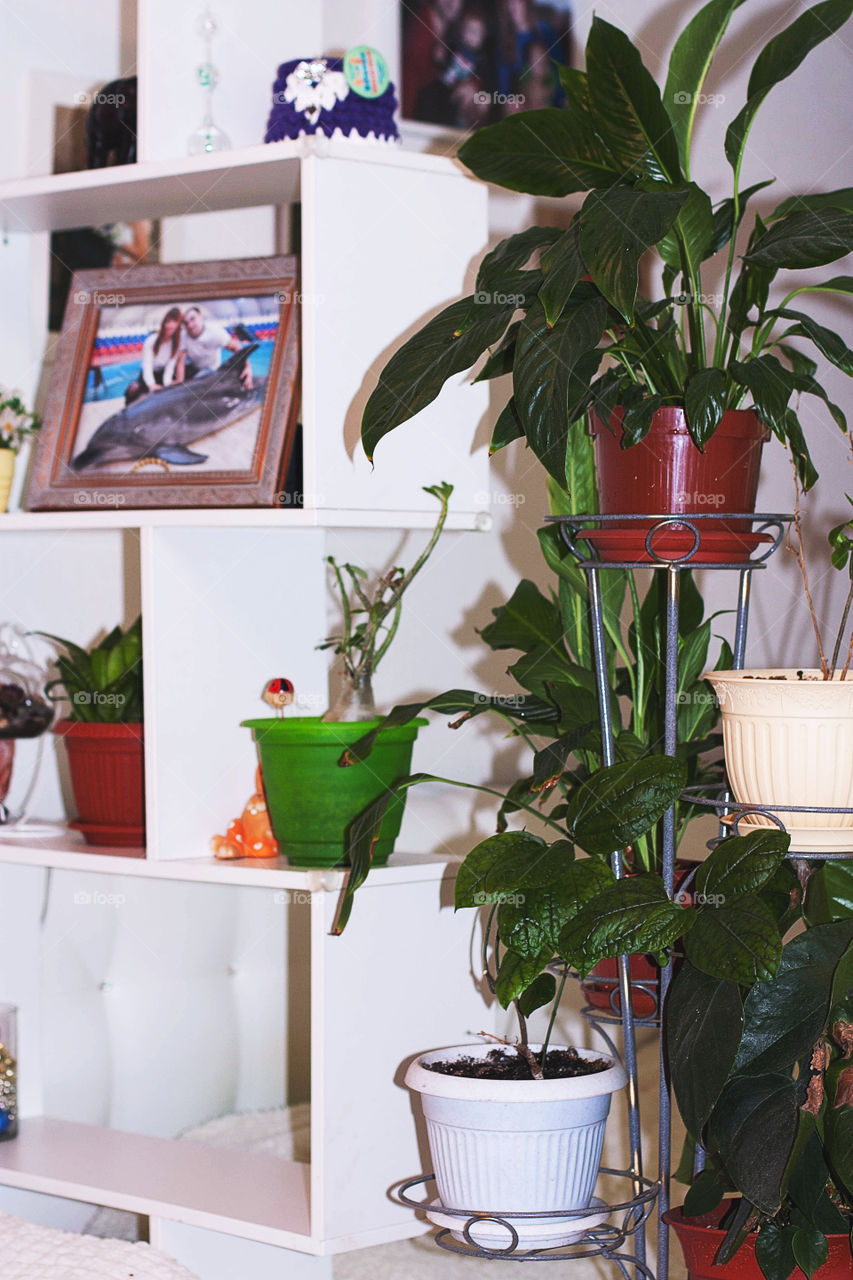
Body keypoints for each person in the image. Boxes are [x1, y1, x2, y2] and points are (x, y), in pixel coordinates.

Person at [174, 307, 253, 389]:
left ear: (200, 316)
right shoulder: (183, 336)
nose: (190, 325)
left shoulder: (215, 332)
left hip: (211, 370)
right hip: (194, 368)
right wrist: (179, 382)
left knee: (197, 384)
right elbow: (181, 362)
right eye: (186, 323)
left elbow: (236, 348)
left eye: (192, 319)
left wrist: (247, 368)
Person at [123, 306, 183, 405]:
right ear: (164, 323)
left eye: (174, 321)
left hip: (162, 374)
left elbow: (169, 368)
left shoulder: (176, 345)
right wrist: (151, 385)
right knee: (133, 389)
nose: (170, 325)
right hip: (148, 374)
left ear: (178, 324)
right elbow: (147, 366)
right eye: (168, 321)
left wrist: (166, 384)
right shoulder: (151, 341)